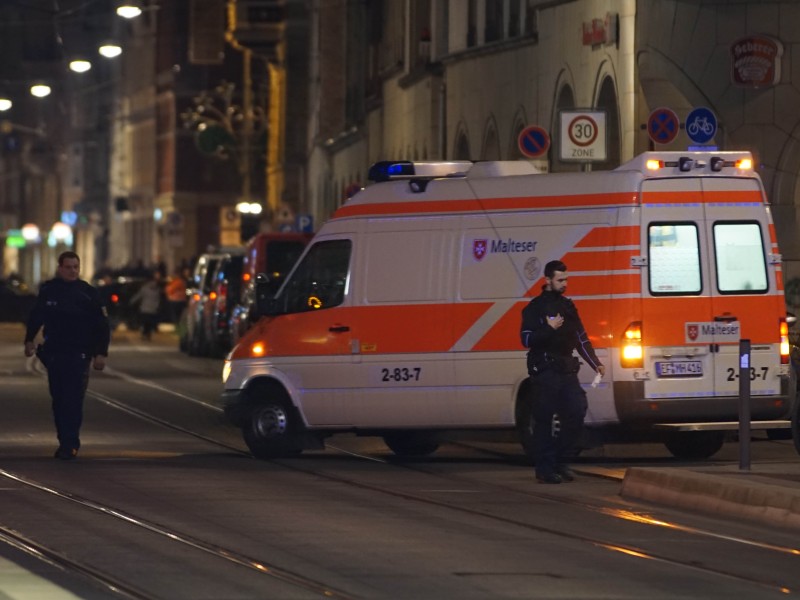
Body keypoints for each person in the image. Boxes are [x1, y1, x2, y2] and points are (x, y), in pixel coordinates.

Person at [520, 260, 605, 484]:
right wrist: (549, 329)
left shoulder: (568, 306)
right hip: (545, 370)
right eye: (560, 280)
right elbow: (526, 338)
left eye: (566, 279)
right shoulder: (535, 307)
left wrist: (595, 363)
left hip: (567, 370)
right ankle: (545, 468)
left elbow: (581, 337)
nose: (565, 284)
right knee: (544, 419)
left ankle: (560, 460)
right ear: (547, 280)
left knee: (576, 412)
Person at [23, 251, 110, 460]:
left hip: (79, 352)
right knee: (59, 398)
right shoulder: (49, 290)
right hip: (55, 352)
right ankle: (64, 438)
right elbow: (36, 315)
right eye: (68, 267)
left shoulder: (88, 293)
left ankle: (70, 443)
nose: (72, 271)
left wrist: (101, 353)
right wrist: (29, 340)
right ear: (60, 268)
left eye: (75, 267)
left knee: (73, 398)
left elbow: (102, 325)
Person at [130, 272, 164, 340]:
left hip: (144, 308)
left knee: (144, 322)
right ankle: (148, 334)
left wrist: (131, 301)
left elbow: (138, 296)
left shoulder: (145, 288)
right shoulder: (157, 290)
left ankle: (144, 334)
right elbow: (159, 300)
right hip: (153, 309)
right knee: (149, 323)